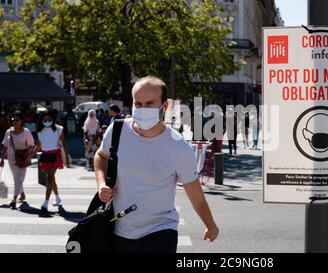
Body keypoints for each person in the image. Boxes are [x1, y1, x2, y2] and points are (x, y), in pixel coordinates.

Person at [94, 76, 218, 253]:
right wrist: (101, 184)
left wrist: (210, 225)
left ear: (165, 106)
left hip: (160, 231)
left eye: (150, 103)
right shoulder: (117, 131)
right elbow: (100, 156)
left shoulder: (178, 147)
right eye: (138, 104)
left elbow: (196, 194)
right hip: (119, 230)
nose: (143, 109)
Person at [35, 111, 70, 213]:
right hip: (45, 156)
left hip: (55, 155)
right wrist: (29, 155)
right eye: (45, 120)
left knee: (48, 178)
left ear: (53, 120)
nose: (47, 122)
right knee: (51, 179)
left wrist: (67, 158)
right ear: (42, 121)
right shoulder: (40, 131)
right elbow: (38, 146)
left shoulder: (59, 129)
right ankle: (57, 197)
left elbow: (64, 144)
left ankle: (45, 203)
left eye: (49, 120)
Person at [0, 111, 35, 209]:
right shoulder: (8, 131)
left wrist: (27, 155)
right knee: (17, 178)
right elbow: (5, 146)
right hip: (11, 159)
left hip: (22, 159)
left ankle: (14, 199)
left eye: (17, 120)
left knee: (17, 179)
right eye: (13, 120)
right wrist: (2, 158)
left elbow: (31, 145)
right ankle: (22, 194)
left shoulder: (26, 132)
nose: (14, 122)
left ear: (21, 121)